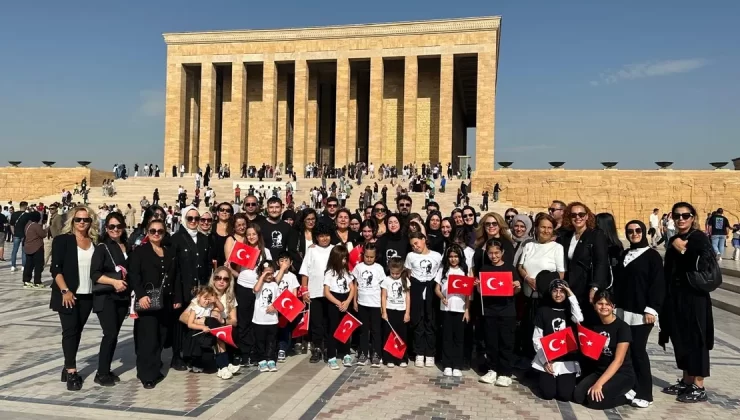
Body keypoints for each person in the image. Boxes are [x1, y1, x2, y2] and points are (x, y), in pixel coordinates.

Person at [659, 202, 714, 403]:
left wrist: (681, 248)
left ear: (693, 217)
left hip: (695, 298)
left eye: (685, 215)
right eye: (677, 216)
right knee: (680, 339)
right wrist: (674, 240)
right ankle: (686, 379)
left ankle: (698, 385)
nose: (681, 219)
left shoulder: (698, 238)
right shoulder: (675, 239)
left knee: (696, 339)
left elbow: (702, 262)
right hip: (676, 297)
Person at [614, 220, 664, 408]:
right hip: (623, 310)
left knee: (638, 351)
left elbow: (658, 284)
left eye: (637, 230)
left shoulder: (652, 256)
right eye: (630, 231)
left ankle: (645, 393)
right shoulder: (625, 254)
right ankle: (632, 387)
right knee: (626, 352)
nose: (634, 234)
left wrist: (652, 308)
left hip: (642, 313)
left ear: (644, 232)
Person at [50, 205, 98, 391]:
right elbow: (56, 268)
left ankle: (66, 364)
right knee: (69, 331)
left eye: (85, 220)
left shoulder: (94, 241)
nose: (82, 223)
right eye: (78, 219)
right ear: (72, 220)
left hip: (87, 294)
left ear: (90, 222)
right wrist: (65, 291)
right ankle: (71, 371)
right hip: (67, 294)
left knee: (77, 331)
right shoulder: (63, 240)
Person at [129, 218, 176, 389]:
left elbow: (174, 276)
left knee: (160, 336)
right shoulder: (140, 252)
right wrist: (141, 295)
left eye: (160, 231)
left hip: (164, 301)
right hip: (147, 301)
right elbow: (134, 275)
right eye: (153, 231)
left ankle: (155, 366)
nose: (156, 234)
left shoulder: (168, 251)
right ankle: (146, 374)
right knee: (147, 338)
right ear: (147, 233)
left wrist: (176, 298)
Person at [574, 289, 635, 410]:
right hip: (600, 371)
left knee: (594, 402)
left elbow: (619, 360)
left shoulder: (622, 327)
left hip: (621, 374)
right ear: (595, 305)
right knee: (578, 396)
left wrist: (598, 384)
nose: (604, 307)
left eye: (607, 304)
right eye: (600, 303)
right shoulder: (594, 325)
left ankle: (628, 396)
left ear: (613, 306)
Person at [90, 212, 130, 386]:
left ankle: (105, 369)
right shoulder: (102, 247)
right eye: (111, 226)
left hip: (122, 297)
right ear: (106, 228)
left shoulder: (127, 246)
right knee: (110, 333)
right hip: (106, 297)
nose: (115, 230)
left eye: (118, 226)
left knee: (114, 335)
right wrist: (114, 282)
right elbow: (95, 274)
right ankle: (101, 372)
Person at [170, 206, 213, 371]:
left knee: (195, 321)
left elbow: (208, 264)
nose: (194, 221)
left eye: (197, 218)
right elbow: (174, 269)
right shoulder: (176, 239)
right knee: (180, 323)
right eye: (190, 218)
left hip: (199, 290)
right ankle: (176, 356)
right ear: (184, 219)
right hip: (182, 288)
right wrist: (177, 296)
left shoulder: (203, 239)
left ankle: (191, 355)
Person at [226, 217, 271, 366]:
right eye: (249, 234)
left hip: (259, 289)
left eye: (254, 234)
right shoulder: (242, 250)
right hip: (243, 287)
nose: (251, 237)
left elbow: (270, 273)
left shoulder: (266, 252)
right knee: (244, 321)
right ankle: (245, 352)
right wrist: (229, 268)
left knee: (257, 321)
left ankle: (257, 352)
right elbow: (238, 272)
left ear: (259, 235)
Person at [475, 240, 521, 386]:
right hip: (489, 311)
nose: (493, 256)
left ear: (502, 253)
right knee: (491, 342)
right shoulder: (484, 269)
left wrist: (517, 286)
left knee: (506, 342)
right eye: (490, 253)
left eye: (496, 253)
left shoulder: (510, 268)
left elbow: (516, 291)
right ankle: (492, 369)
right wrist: (478, 287)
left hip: (507, 312)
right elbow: (481, 292)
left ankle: (505, 373)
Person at [531, 276, 583, 401]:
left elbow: (579, 319)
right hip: (549, 358)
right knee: (548, 394)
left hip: (567, 359)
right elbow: (537, 338)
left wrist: (571, 294)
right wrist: (545, 361)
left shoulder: (570, 312)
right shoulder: (543, 311)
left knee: (564, 395)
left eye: (562, 291)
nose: (558, 294)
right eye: (555, 291)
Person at [559, 202, 610, 318]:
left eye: (581, 214)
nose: (578, 217)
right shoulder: (566, 237)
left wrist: (595, 286)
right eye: (574, 215)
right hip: (569, 287)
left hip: (586, 287)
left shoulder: (596, 235)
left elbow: (601, 262)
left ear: (587, 216)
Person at [405, 231, 443, 368]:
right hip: (417, 289)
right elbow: (409, 274)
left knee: (430, 321)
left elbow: (439, 273)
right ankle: (419, 352)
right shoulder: (410, 256)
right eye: (412, 245)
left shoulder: (436, 256)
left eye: (416, 243)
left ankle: (430, 353)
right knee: (417, 321)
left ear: (424, 240)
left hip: (431, 289)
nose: (415, 246)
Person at [299, 223, 335, 363]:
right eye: (321, 236)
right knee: (316, 323)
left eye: (327, 235)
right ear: (317, 237)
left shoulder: (335, 249)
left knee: (329, 322)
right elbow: (305, 272)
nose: (324, 239)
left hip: (331, 292)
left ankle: (328, 348)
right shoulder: (312, 250)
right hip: (315, 292)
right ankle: (317, 348)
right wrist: (304, 290)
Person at [435, 244, 470, 377]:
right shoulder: (443, 270)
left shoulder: (464, 271)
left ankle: (457, 365)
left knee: (459, 338)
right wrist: (442, 297)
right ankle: (447, 364)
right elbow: (437, 288)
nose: (453, 259)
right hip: (446, 309)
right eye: (451, 257)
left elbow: (468, 294)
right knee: (447, 337)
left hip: (460, 309)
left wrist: (467, 310)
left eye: (456, 256)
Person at [351, 243, 386, 367]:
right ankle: (363, 353)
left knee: (376, 330)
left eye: (371, 257)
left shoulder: (379, 268)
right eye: (367, 256)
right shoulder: (359, 267)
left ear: (375, 257)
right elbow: (355, 285)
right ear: (363, 255)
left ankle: (376, 353)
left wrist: (383, 306)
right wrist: (354, 301)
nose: (369, 259)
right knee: (363, 330)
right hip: (362, 303)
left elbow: (383, 288)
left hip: (375, 304)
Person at [323, 245, 357, 369]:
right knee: (333, 329)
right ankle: (332, 356)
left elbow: (352, 288)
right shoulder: (330, 273)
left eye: (346, 258)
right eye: (342, 258)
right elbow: (326, 292)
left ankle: (346, 353)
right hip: (334, 302)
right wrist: (338, 302)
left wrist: (348, 301)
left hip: (345, 301)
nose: (344, 261)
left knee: (346, 328)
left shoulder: (347, 272)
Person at [182, 286, 222, 375]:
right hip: (197, 331)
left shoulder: (210, 306)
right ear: (199, 297)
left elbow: (221, 309)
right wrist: (202, 327)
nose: (207, 301)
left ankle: (207, 362)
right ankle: (195, 363)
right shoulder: (195, 308)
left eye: (209, 299)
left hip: (206, 333)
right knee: (197, 351)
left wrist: (215, 300)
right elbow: (190, 324)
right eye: (205, 298)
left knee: (208, 357)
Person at [381, 257, 411, 368]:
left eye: (397, 273)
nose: (394, 275)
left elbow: (408, 297)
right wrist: (384, 312)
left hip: (401, 311)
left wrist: (407, 313)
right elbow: (383, 296)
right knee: (389, 335)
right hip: (390, 310)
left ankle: (401, 358)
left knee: (401, 336)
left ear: (402, 270)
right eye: (392, 273)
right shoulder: (386, 280)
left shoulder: (405, 280)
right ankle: (389, 358)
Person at [253, 261, 281, 372]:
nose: (269, 276)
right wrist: (262, 276)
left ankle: (270, 359)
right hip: (259, 320)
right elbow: (255, 290)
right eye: (266, 274)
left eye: (271, 273)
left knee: (271, 341)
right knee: (260, 341)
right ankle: (261, 360)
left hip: (272, 320)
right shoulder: (258, 283)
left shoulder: (275, 285)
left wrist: (275, 307)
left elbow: (279, 300)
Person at [275, 251, 300, 362]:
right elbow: (274, 283)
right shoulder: (274, 273)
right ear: (277, 263)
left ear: (291, 263)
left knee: (285, 328)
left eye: (286, 261)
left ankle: (282, 348)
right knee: (275, 328)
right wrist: (281, 270)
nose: (284, 263)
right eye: (281, 261)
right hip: (275, 306)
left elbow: (294, 292)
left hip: (287, 308)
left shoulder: (292, 276)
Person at [22, 211, 47, 288]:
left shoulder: (28, 224)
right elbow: (43, 235)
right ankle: (37, 281)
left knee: (28, 265)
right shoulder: (36, 226)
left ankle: (26, 280)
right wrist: (46, 229)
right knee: (38, 265)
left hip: (28, 247)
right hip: (37, 248)